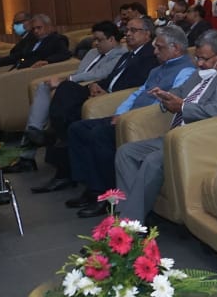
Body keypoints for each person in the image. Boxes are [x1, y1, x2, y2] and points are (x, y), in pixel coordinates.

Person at [113, 30, 217, 222]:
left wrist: (184, 107)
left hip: (199, 140)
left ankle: (128, 225)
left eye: (204, 59)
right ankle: (125, 214)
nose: (199, 63)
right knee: (126, 152)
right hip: (174, 136)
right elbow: (179, 90)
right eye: (197, 57)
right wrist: (166, 96)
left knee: (153, 161)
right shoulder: (199, 73)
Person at [69, 25, 197, 218]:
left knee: (99, 135)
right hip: (129, 116)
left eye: (159, 47)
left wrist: (128, 118)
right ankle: (92, 187)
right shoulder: (157, 69)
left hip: (143, 120)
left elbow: (168, 100)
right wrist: (120, 113)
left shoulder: (186, 70)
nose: (155, 52)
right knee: (78, 129)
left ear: (176, 49)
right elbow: (138, 92)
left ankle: (106, 193)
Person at [35, 17, 160, 194]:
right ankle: (57, 131)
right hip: (104, 91)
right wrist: (96, 85)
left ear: (147, 34)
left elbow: (137, 84)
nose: (128, 34)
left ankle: (56, 135)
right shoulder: (128, 54)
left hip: (114, 97)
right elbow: (111, 78)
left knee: (72, 123)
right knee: (66, 89)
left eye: (134, 31)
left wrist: (107, 94)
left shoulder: (149, 56)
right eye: (127, 30)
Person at [13, 21, 127, 172]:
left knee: (58, 90)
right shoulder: (92, 52)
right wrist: (65, 80)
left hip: (90, 87)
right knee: (43, 86)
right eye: (94, 39)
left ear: (111, 39)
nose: (95, 43)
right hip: (76, 83)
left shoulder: (121, 54)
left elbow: (99, 74)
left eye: (99, 40)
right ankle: (33, 134)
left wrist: (66, 80)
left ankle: (38, 140)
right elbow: (81, 72)